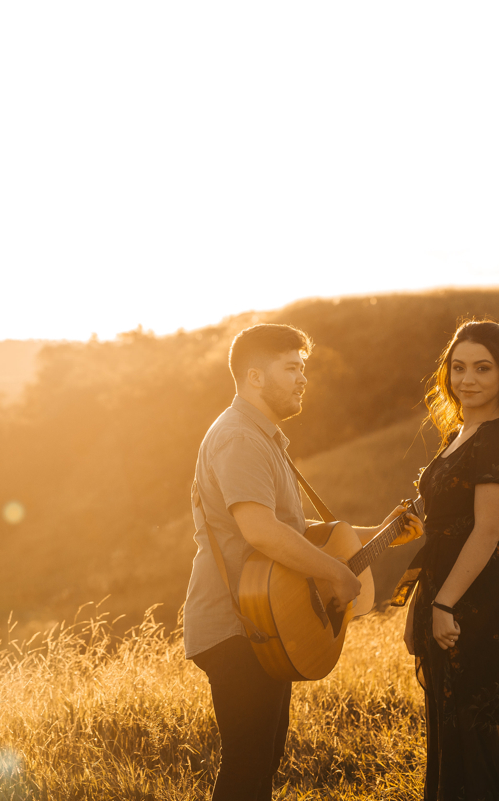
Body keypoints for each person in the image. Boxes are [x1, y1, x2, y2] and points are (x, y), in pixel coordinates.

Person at [185, 323, 422, 801]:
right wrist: (335, 572)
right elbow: (259, 530)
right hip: (237, 623)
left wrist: (383, 533)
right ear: (254, 377)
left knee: (260, 762)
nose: (302, 379)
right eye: (291, 368)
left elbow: (296, 533)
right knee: (248, 767)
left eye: (303, 369)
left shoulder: (263, 437)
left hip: (264, 621)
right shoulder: (240, 438)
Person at [394, 320, 499, 800]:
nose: (467, 380)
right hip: (448, 591)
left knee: (479, 733)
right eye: (458, 368)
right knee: (453, 728)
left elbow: (486, 531)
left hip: (477, 603)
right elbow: (450, 524)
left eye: (482, 368)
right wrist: (423, 601)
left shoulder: (498, 437)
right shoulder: (462, 431)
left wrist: (442, 605)